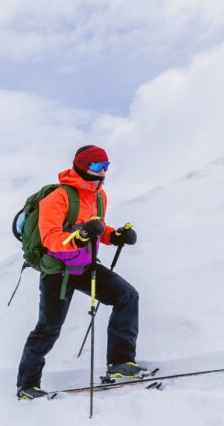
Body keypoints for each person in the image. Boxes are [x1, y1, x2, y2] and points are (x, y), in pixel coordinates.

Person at [16, 145, 141, 399]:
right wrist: (81, 235)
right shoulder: (58, 197)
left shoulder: (99, 196)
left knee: (127, 296)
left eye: (106, 167)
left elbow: (100, 228)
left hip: (85, 266)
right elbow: (51, 238)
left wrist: (115, 235)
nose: (103, 172)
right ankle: (27, 386)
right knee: (48, 328)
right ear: (83, 167)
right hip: (57, 272)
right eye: (98, 167)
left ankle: (121, 364)